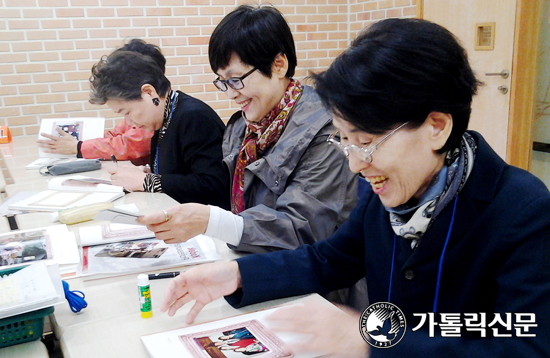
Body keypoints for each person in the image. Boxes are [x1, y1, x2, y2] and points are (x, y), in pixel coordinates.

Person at [156, 18, 550, 358]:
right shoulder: (386, 192)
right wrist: (236, 275)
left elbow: (524, 348)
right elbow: (329, 260)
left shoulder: (521, 212)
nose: (355, 164)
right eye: (344, 141)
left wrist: (370, 342)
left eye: (366, 141)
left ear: (437, 126)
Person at [138, 5, 357, 257]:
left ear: (278, 65)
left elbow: (302, 228)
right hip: (256, 261)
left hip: (320, 284)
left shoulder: (327, 129)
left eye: (236, 79)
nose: (231, 93)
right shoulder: (243, 128)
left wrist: (212, 221)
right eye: (222, 82)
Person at [89, 42, 229, 208]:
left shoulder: (193, 117)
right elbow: (181, 173)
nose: (129, 122)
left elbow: (213, 185)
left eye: (127, 112)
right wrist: (149, 174)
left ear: (149, 92)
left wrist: (147, 181)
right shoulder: (164, 116)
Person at [36, 39, 162, 166]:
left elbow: (130, 145)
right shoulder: (138, 111)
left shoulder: (154, 115)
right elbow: (115, 134)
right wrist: (80, 143)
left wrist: (80, 147)